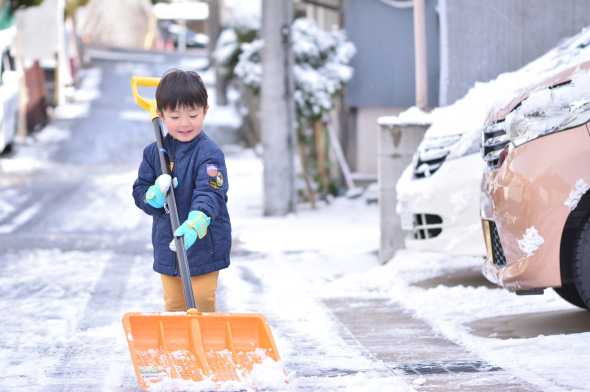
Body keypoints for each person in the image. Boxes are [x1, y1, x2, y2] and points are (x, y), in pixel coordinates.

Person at [132, 69, 231, 312]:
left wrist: (198, 221)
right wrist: (153, 195)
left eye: (193, 115)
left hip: (204, 247)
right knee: (174, 305)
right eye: (174, 117)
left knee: (202, 302)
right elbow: (139, 191)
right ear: (160, 114)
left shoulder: (209, 153)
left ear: (205, 111)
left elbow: (211, 192)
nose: (185, 124)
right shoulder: (153, 153)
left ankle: (205, 346)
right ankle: (179, 349)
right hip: (168, 246)